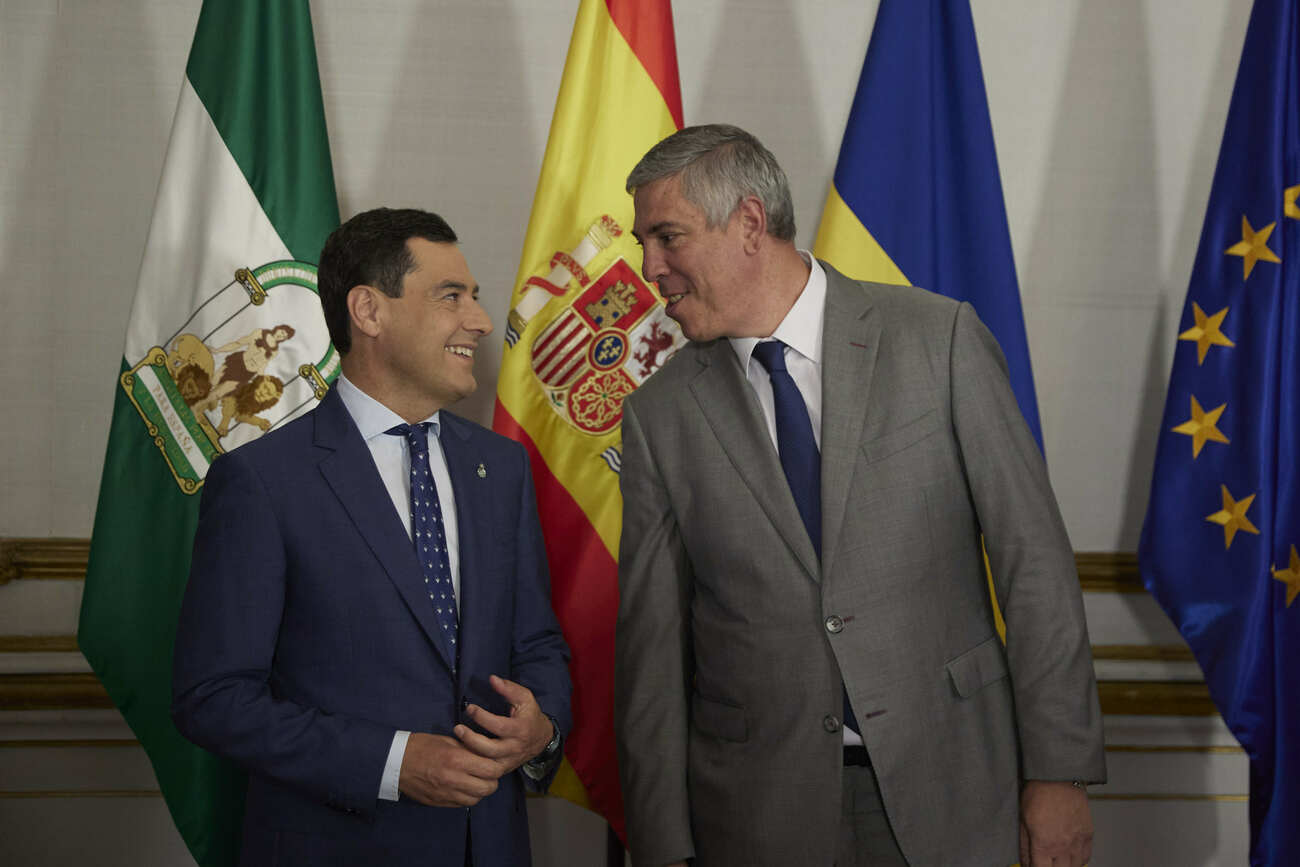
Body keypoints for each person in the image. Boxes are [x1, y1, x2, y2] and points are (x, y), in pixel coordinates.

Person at [614, 125, 1105, 867]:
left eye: (668, 237)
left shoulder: (937, 340)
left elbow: (1033, 567)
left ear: (749, 223)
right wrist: (661, 844)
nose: (650, 267)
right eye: (644, 242)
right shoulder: (660, 415)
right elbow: (651, 655)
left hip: (955, 794)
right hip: (755, 816)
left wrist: (1058, 771)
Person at [172, 207, 571, 867]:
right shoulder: (262, 482)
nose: (478, 320)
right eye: (452, 297)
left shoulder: (499, 468)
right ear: (369, 310)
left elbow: (538, 644)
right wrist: (393, 761)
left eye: (475, 298)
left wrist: (543, 724)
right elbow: (213, 698)